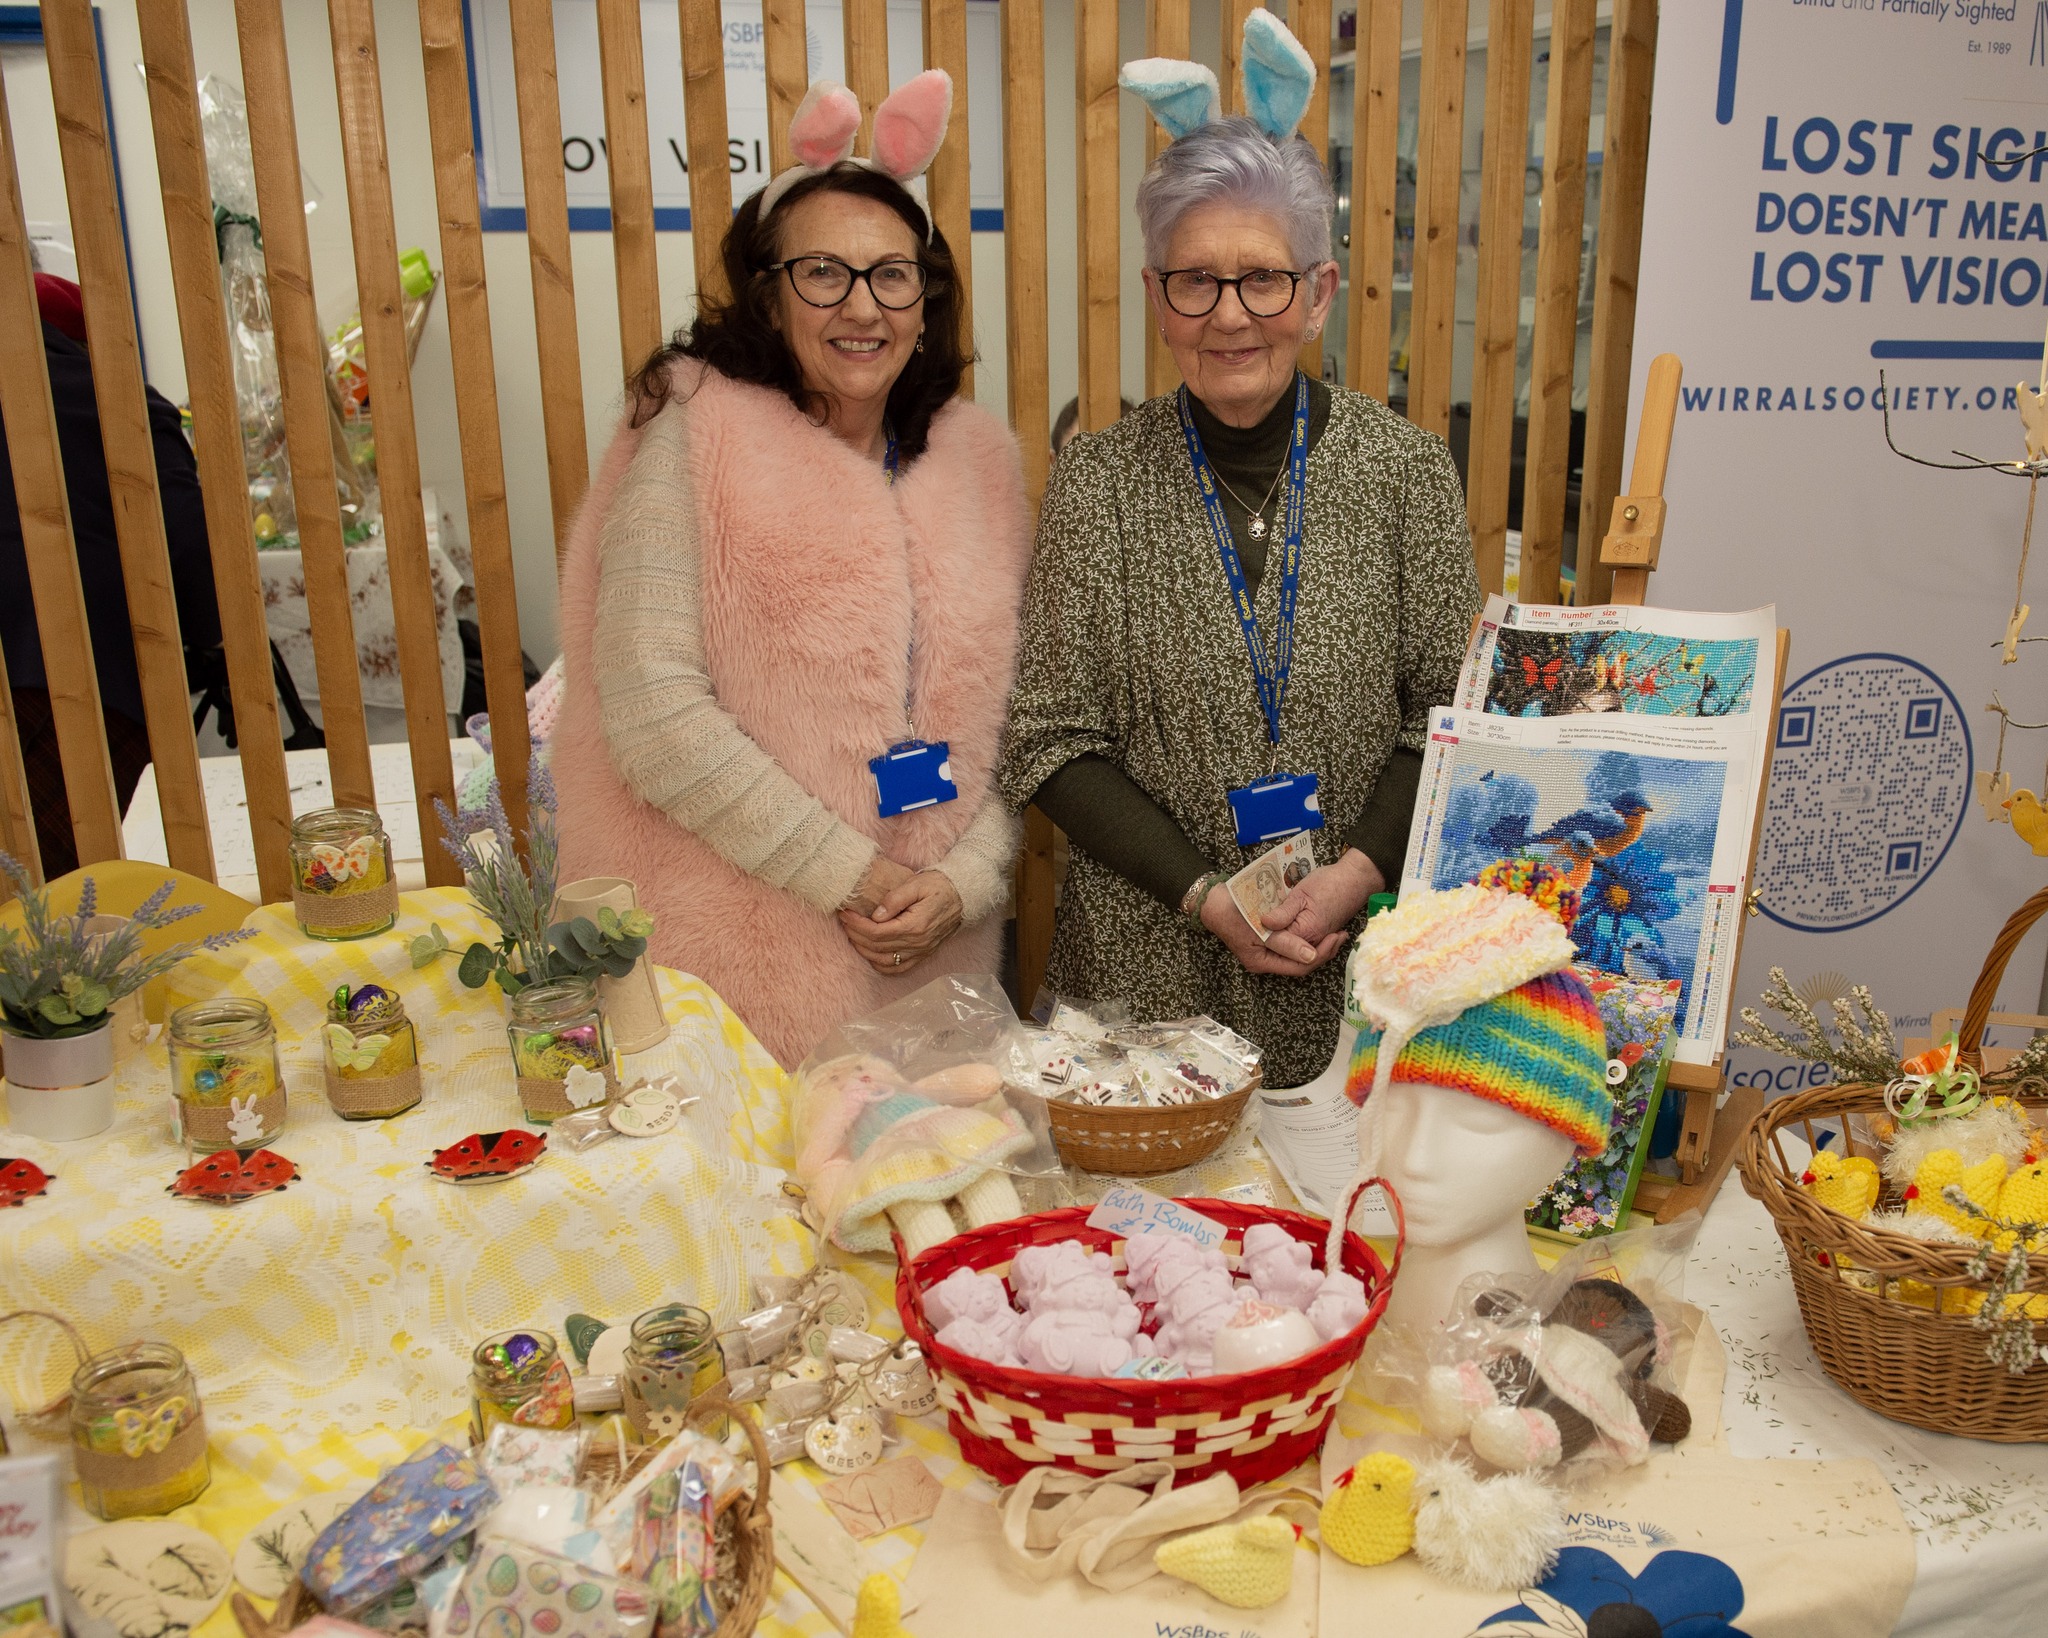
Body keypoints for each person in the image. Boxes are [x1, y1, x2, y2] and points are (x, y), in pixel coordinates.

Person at [999, 16, 1482, 1087]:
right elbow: (1046, 741)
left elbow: (1449, 714)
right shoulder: (1095, 481)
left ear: (1315, 292)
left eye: (1260, 279)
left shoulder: (1403, 472)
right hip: (1140, 976)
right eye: (1194, 280)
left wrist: (1354, 871)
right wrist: (1208, 897)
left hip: (1362, 964)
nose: (1229, 316)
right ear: (1155, 299)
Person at [552, 72, 1031, 1070]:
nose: (863, 306)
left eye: (891, 275)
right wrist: (848, 874)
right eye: (824, 273)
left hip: (933, 971)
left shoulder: (977, 460)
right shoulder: (694, 435)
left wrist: (965, 882)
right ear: (767, 295)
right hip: (733, 978)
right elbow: (652, 713)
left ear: (924, 296)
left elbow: (1018, 717)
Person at [0, 298, 222, 877]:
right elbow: (190, 543)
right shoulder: (110, 395)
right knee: (78, 903)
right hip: (76, 684)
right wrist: (214, 643)